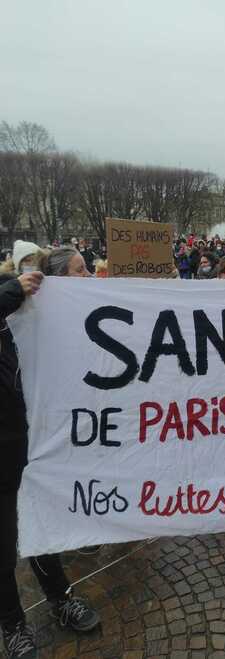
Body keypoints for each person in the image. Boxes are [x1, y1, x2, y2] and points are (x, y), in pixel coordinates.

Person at [0, 264, 98, 659]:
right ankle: (13, 625)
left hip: (31, 440)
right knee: (3, 543)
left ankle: (61, 598)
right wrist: (10, 292)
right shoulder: (7, 296)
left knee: (41, 526)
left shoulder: (15, 311)